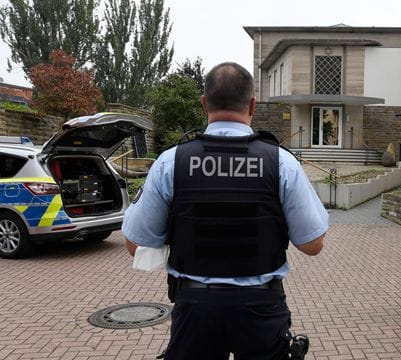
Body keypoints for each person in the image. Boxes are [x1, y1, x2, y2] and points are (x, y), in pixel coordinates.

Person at [122, 62, 328, 359]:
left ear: (204, 103)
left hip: (195, 310)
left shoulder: (171, 162)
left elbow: (135, 244)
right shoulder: (281, 162)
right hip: (260, 309)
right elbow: (312, 244)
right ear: (253, 105)